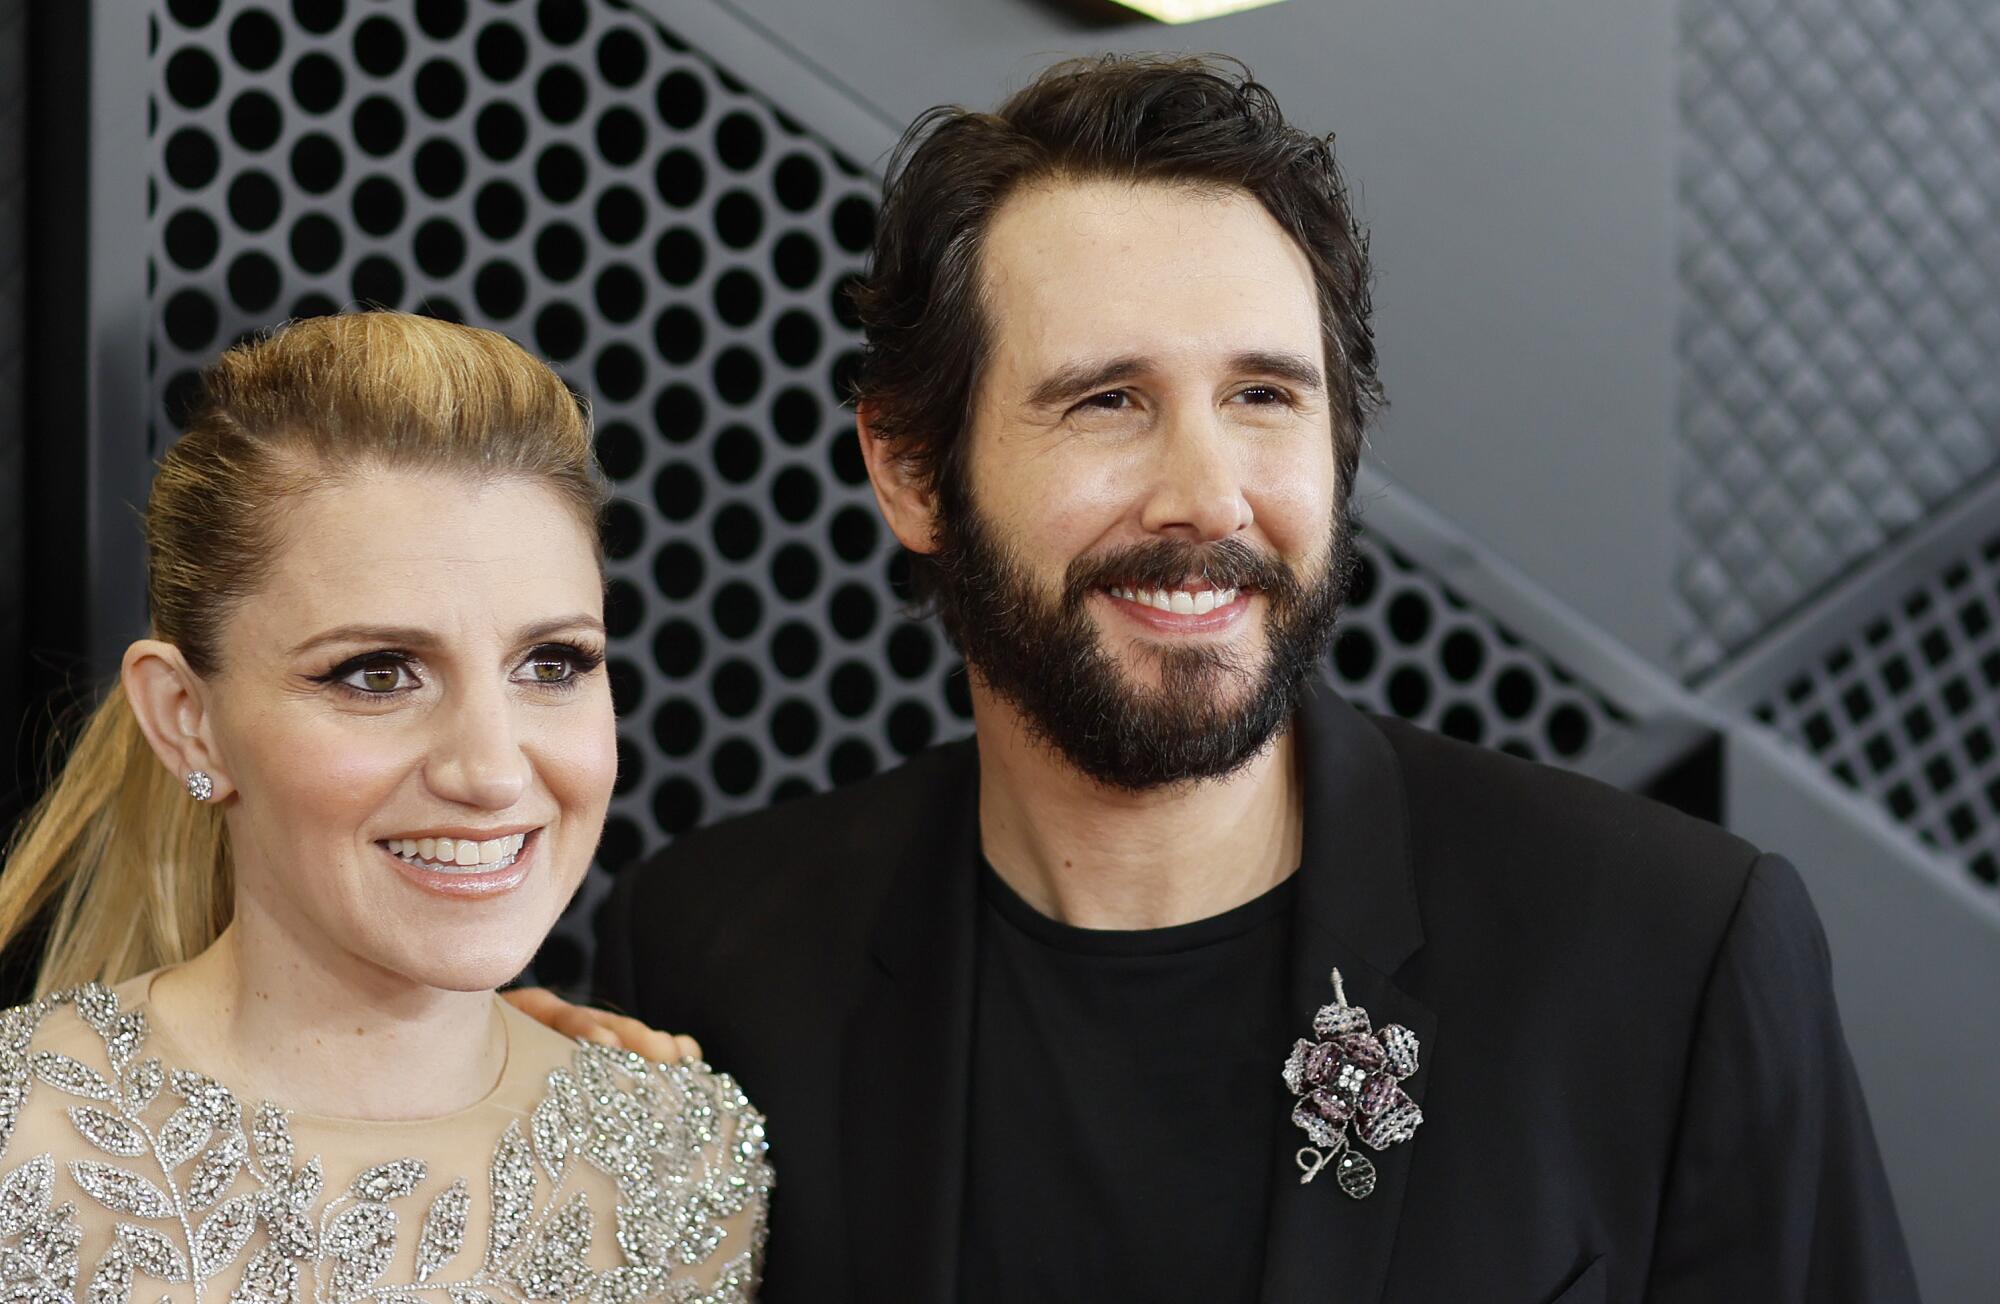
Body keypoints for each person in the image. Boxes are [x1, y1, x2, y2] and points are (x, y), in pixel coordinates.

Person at [517, 54, 1918, 1302]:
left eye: (1263, 397)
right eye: (1107, 401)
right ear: (908, 468)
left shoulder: (1668, 952)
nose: (1207, 497)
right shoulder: (715, 959)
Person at [0, 314, 771, 1304]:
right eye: (376, 673)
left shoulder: (691, 1160)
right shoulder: (20, 1136)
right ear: (188, 719)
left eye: (553, 663)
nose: (490, 769)